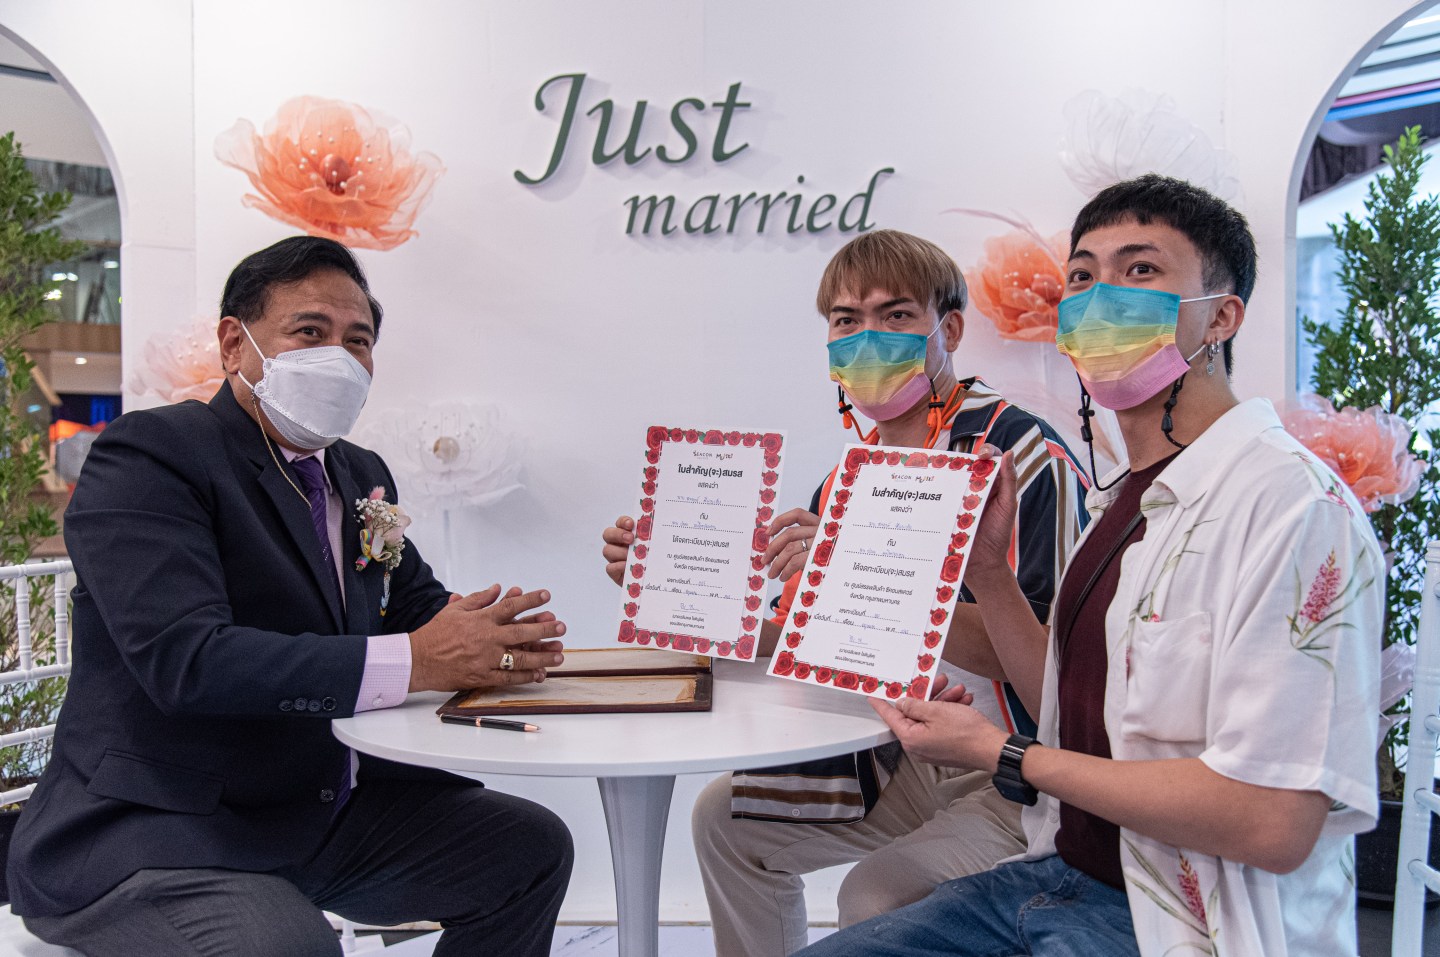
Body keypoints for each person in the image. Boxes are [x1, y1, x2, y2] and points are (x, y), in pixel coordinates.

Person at [797, 175, 1384, 957]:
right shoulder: (1124, 496)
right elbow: (1073, 708)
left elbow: (1273, 822)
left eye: (1141, 271)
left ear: (1221, 316)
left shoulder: (1290, 508)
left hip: (1188, 918)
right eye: (1082, 276)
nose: (1101, 298)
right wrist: (991, 578)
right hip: (1055, 874)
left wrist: (998, 751)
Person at [8, 237, 575, 957]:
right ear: (233, 342)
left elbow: (413, 610)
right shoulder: (152, 455)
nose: (338, 357)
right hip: (155, 827)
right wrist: (419, 660)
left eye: (358, 340)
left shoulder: (359, 473)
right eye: (311, 332)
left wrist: (500, 638)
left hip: (313, 815)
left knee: (528, 848)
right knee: (288, 945)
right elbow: (188, 660)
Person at [601, 230, 1088, 956]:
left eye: (895, 317)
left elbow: (1051, 672)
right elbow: (794, 629)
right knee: (724, 823)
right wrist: (676, 581)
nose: (867, 339)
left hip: (1014, 773)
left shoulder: (1017, 456)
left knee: (874, 893)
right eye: (845, 321)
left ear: (947, 329)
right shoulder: (845, 478)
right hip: (898, 756)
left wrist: (867, 585)